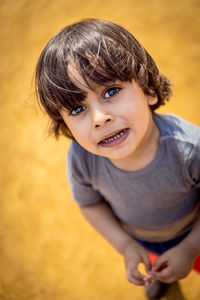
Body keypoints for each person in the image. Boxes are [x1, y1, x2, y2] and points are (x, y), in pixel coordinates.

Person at [35, 19, 200, 299]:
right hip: (142, 242)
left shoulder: (190, 149)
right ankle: (159, 278)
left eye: (111, 91)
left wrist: (190, 248)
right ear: (65, 125)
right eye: (77, 109)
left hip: (194, 232)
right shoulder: (82, 160)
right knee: (158, 272)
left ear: (147, 89)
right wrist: (125, 245)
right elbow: (89, 204)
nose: (100, 119)